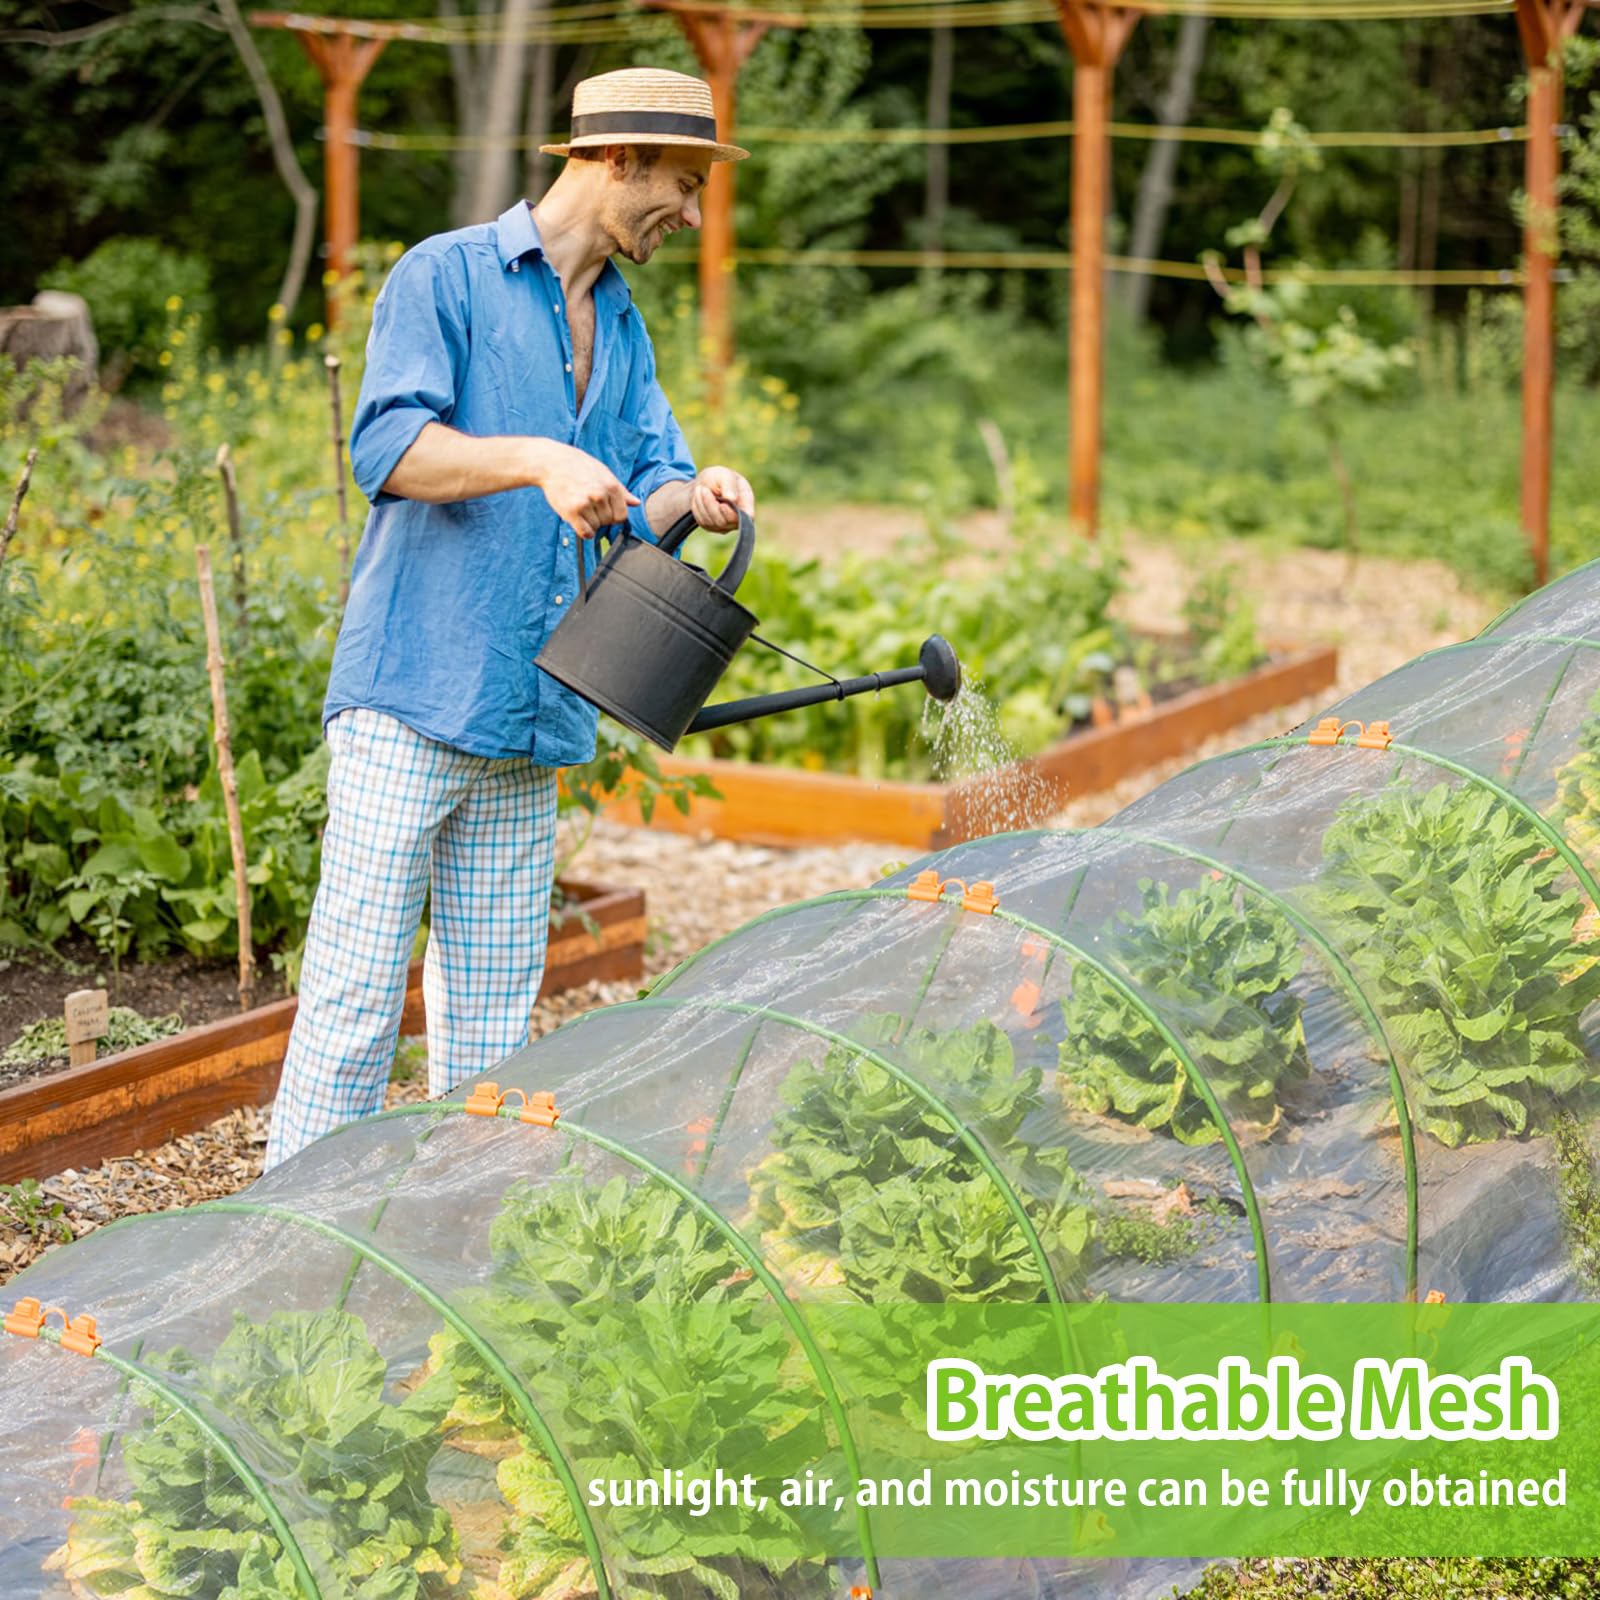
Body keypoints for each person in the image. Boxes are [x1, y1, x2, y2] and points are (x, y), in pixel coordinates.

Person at [264, 67, 755, 1169]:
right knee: (350, 1009)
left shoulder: (622, 328)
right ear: (618, 159)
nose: (690, 212)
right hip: (414, 699)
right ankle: (275, 1268)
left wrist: (699, 493)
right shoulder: (446, 278)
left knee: (490, 1042)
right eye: (681, 183)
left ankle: (451, 1258)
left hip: (534, 720)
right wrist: (535, 458)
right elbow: (385, 450)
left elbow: (650, 486)